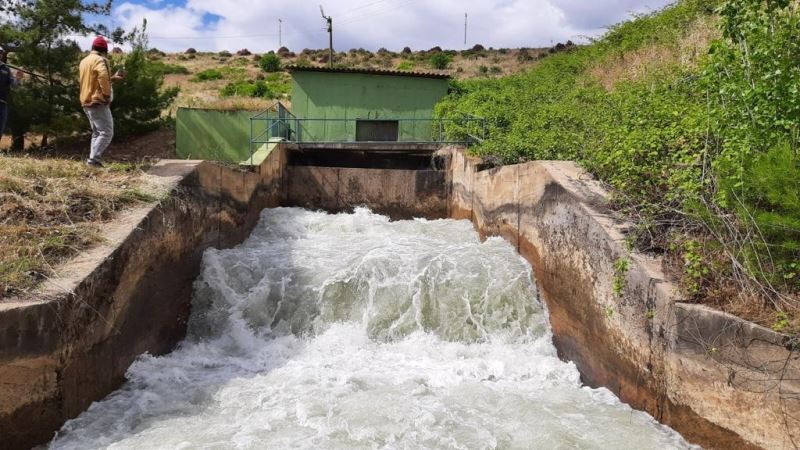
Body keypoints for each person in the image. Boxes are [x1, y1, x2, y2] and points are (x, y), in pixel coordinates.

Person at [79, 36, 123, 167]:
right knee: (107, 132)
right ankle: (93, 161)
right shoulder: (100, 60)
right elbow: (102, 76)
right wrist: (107, 95)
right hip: (97, 101)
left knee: (97, 133)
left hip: (86, 100)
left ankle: (93, 161)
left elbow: (93, 79)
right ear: (104, 50)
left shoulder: (84, 61)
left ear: (93, 48)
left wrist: (113, 78)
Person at [0, 47, 24, 141]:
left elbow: (14, 85)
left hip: (3, 103)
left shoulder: (6, 69)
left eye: (1, 53)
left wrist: (18, 78)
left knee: (0, 128)